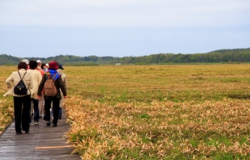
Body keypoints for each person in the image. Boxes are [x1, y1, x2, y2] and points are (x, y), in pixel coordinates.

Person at [4, 62, 33, 134]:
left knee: (17, 112)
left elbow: (7, 81)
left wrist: (11, 87)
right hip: (26, 95)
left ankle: (18, 130)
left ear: (18, 67)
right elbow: (32, 85)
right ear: (26, 67)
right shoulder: (29, 74)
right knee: (26, 111)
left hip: (16, 95)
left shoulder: (14, 73)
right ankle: (26, 128)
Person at [38, 61, 67, 127]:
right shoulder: (57, 75)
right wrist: (65, 94)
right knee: (56, 108)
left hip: (47, 94)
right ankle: (54, 122)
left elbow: (41, 84)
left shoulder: (46, 74)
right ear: (56, 67)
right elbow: (61, 85)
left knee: (47, 107)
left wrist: (39, 93)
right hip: (56, 94)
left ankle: (48, 120)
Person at [28, 60, 42, 125]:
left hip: (28, 90)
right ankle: (36, 120)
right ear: (36, 65)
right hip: (36, 90)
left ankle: (28, 120)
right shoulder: (38, 72)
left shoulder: (27, 72)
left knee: (28, 106)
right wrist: (40, 91)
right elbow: (40, 82)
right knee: (36, 106)